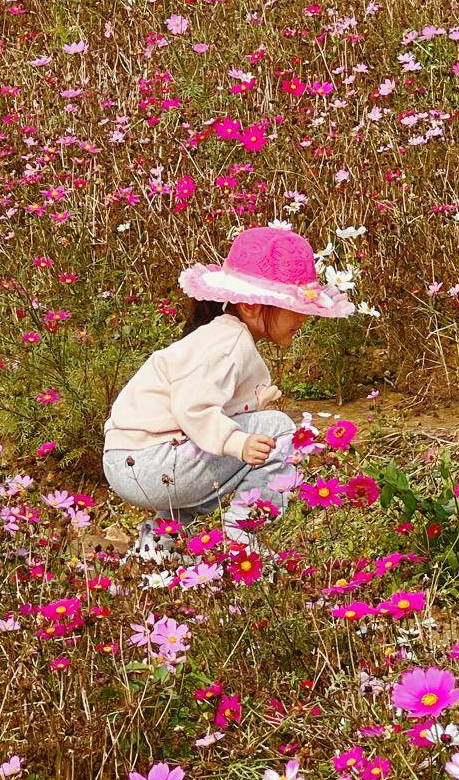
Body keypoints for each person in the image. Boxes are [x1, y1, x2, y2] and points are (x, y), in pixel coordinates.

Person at [103, 226, 354, 561]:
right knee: (277, 432)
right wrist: (238, 441)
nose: (303, 318)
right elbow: (193, 407)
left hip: (132, 459)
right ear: (251, 306)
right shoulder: (228, 344)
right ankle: (243, 539)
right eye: (295, 307)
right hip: (151, 460)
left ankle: (158, 546)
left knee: (236, 461)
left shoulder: (221, 335)